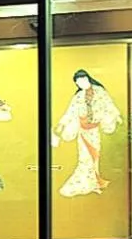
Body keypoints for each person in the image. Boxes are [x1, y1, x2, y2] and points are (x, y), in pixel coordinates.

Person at [52, 69, 122, 198]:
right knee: (84, 157)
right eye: (78, 82)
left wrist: (116, 116)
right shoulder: (78, 96)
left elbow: (108, 105)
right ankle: (82, 182)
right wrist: (62, 124)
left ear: (87, 78)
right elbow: (71, 111)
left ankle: (94, 182)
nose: (81, 84)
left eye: (82, 80)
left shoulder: (100, 92)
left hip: (94, 129)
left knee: (94, 155)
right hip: (82, 130)